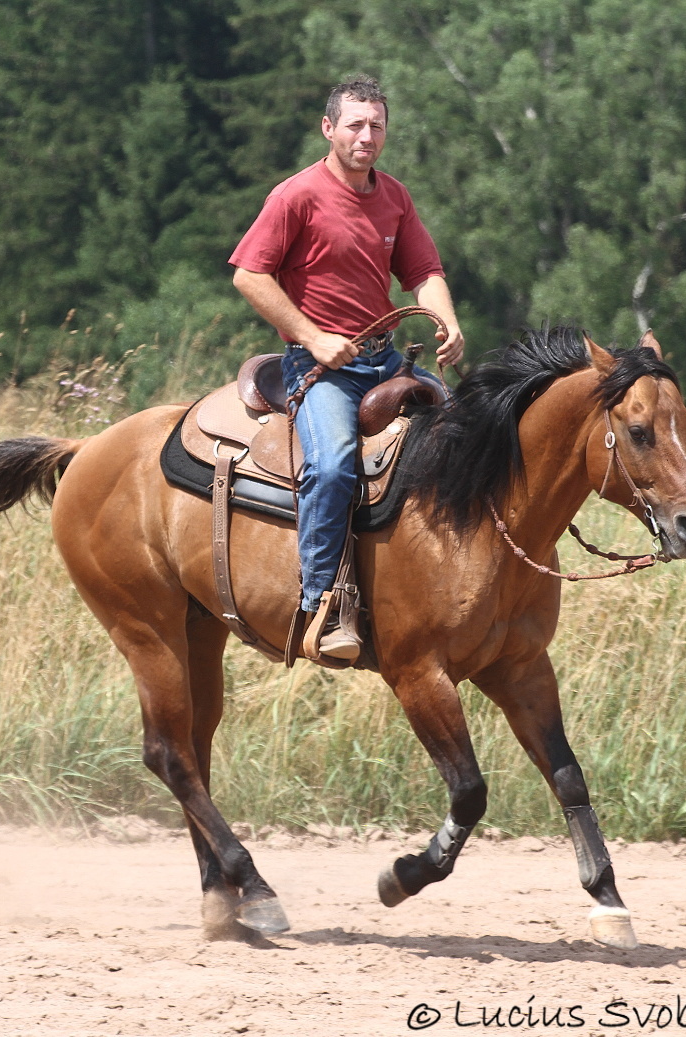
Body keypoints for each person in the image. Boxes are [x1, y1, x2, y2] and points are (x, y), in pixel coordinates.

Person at [230, 74, 464, 661]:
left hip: (385, 358)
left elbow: (423, 273)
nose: (367, 136)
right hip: (318, 367)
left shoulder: (395, 197)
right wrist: (313, 337)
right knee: (332, 466)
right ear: (329, 128)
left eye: (376, 125)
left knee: (471, 437)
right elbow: (249, 275)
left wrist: (446, 321)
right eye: (355, 124)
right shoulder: (294, 197)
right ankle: (323, 600)